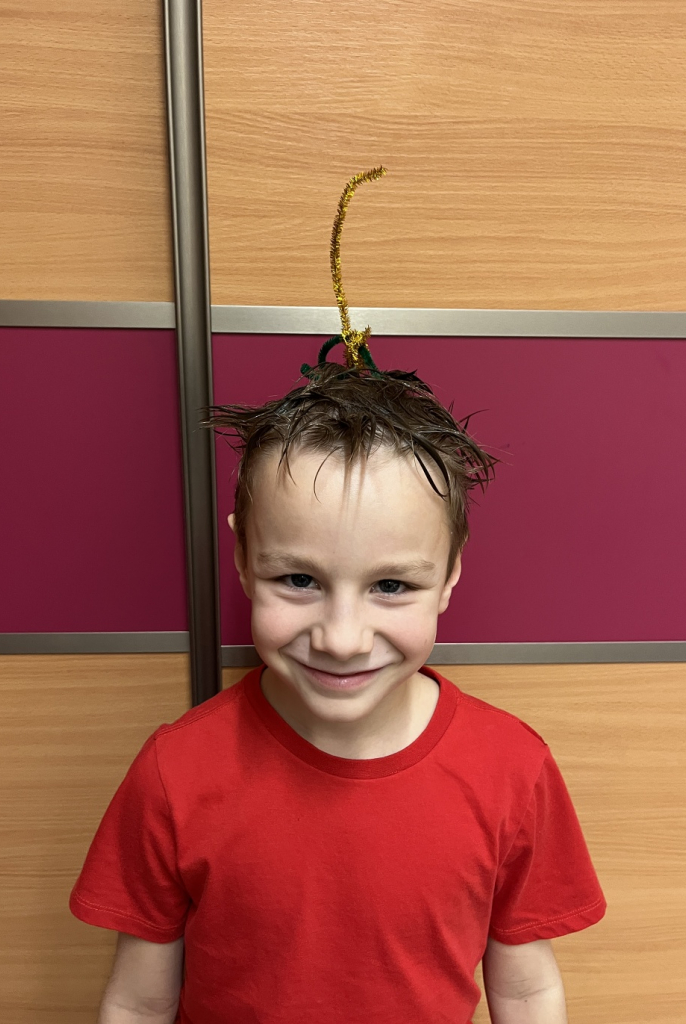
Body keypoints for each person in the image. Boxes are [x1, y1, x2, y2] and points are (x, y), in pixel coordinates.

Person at [69, 170, 606, 1024]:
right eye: (299, 580)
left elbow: (527, 986)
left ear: (450, 574)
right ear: (241, 558)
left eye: (391, 585)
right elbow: (137, 1002)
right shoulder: (177, 771)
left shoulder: (513, 770)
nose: (343, 636)